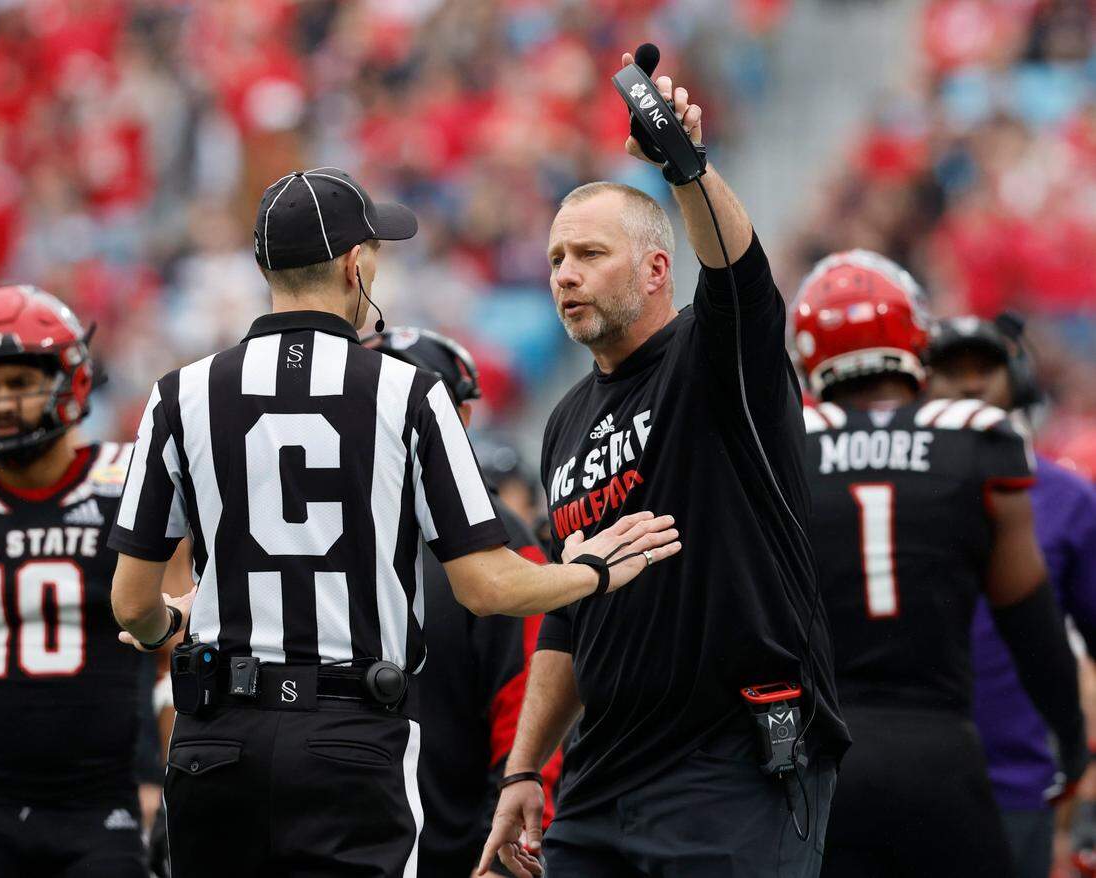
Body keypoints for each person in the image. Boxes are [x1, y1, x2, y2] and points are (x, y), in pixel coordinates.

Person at [107, 167, 681, 877]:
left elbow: (130, 606)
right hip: (349, 735)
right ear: (356, 265)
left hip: (217, 739)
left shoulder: (178, 394)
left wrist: (169, 626)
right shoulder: (408, 391)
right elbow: (485, 587)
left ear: (263, 268)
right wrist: (588, 572)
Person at [480, 56, 849, 878]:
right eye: (553, 260)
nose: (564, 275)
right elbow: (570, 613)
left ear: (656, 269)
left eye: (588, 254)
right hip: (602, 779)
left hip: (731, 767)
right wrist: (524, 768)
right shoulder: (566, 421)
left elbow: (742, 279)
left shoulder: (713, 357)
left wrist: (686, 168)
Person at [790, 251, 1087, 877]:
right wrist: (1071, 739)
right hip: (941, 751)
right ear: (915, 335)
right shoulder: (976, 435)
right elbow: (1029, 617)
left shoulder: (781, 444)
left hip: (819, 763)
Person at [0, 285, 149, 877]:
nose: (3, 402)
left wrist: (158, 776)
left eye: (21, 382)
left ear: (72, 378)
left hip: (105, 803)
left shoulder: (130, 484)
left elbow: (171, 651)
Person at [367, 326, 562, 877]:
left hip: (454, 853)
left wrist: (507, 854)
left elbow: (529, 705)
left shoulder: (501, 539)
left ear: (463, 420)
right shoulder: (326, 524)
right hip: (340, 843)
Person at [927, 313, 1096, 878]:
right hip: (914, 778)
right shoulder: (884, 492)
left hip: (1024, 778)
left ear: (1018, 379)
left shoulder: (1070, 499)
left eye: (987, 368)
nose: (972, 385)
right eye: (951, 371)